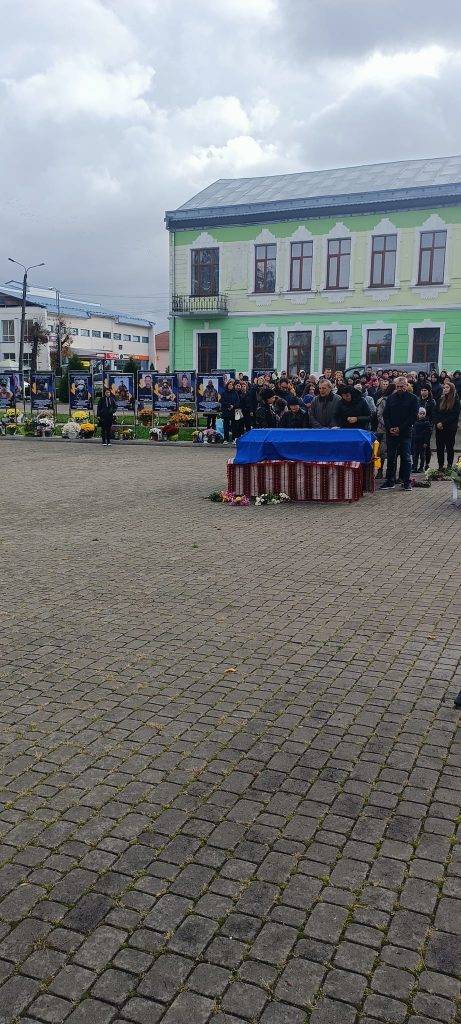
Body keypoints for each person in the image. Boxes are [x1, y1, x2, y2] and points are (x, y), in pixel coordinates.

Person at [381, 376, 419, 490]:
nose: (399, 388)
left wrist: (400, 429)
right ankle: (390, 481)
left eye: (402, 386)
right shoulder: (391, 398)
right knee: (391, 457)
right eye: (397, 386)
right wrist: (390, 428)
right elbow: (385, 414)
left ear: (406, 386)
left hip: (405, 433)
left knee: (406, 458)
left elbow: (413, 417)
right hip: (391, 433)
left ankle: (406, 482)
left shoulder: (413, 399)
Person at [435, 380, 460, 470]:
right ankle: (440, 465)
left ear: (452, 389)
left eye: (447, 387)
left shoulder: (455, 401)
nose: (445, 389)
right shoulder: (440, 399)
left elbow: (454, 415)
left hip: (450, 428)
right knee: (440, 448)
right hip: (439, 428)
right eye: (444, 387)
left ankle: (449, 466)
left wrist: (443, 423)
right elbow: (436, 412)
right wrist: (437, 422)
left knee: (449, 447)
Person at [412, 408, 432, 472]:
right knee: (415, 455)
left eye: (423, 414)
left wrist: (426, 442)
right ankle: (414, 467)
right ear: (418, 414)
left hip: (423, 442)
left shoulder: (427, 422)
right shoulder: (415, 422)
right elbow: (413, 432)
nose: (422, 415)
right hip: (416, 442)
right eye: (421, 413)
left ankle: (421, 467)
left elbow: (428, 434)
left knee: (422, 455)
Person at [220, 379, 236, 444]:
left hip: (233, 411)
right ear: (227, 385)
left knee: (234, 426)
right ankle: (225, 439)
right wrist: (229, 406)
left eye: (232, 385)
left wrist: (233, 406)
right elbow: (222, 401)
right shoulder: (224, 393)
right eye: (229, 385)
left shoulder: (235, 393)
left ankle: (233, 438)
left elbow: (237, 401)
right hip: (226, 411)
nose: (230, 386)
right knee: (226, 426)